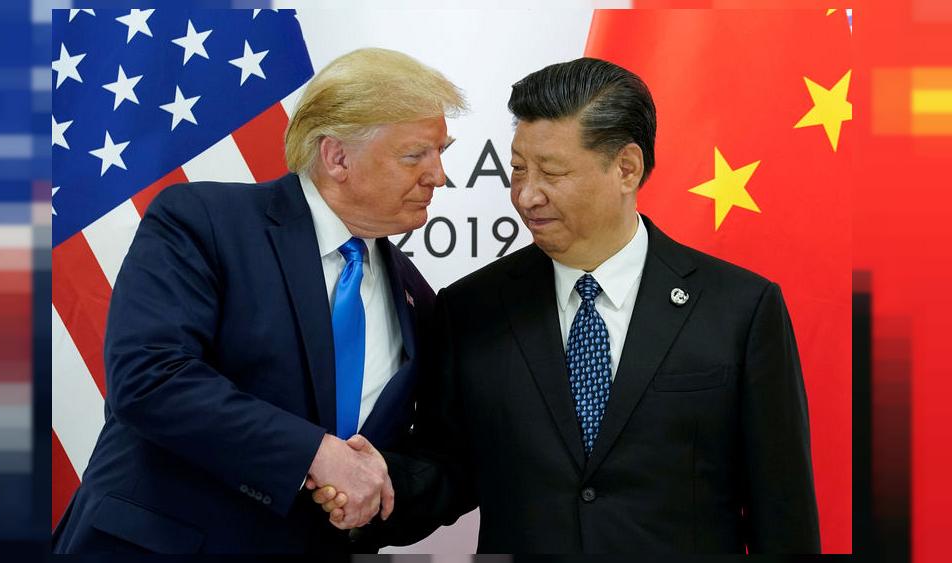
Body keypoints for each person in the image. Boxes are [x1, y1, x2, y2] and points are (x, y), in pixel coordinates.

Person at [316, 57, 821, 553]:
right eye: (517, 169)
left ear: (626, 168)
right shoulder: (472, 308)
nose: (527, 196)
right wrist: (370, 490)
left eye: (552, 173)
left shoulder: (740, 308)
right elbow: (447, 469)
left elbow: (782, 508)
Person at [51, 47, 465, 554]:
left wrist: (375, 484)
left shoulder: (418, 298)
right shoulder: (203, 221)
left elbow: (429, 458)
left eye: (441, 152)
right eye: (415, 155)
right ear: (337, 157)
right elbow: (149, 375)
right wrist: (315, 454)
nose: (438, 175)